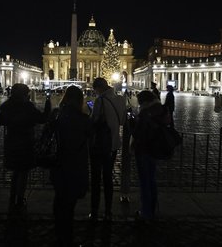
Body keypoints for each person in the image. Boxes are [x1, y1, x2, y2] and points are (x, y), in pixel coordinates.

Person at [0, 83, 51, 212]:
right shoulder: (28, 107)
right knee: (23, 172)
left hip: (11, 141)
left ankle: (12, 197)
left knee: (16, 171)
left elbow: (0, 121)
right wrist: (48, 104)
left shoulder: (7, 106)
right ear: (24, 94)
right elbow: (42, 119)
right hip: (26, 141)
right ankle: (20, 199)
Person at [50, 86, 92, 246]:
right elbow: (91, 135)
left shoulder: (57, 115)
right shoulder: (83, 119)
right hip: (75, 165)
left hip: (58, 163)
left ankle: (59, 234)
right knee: (69, 204)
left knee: (59, 199)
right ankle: (67, 237)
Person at [88, 77, 126, 221]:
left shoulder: (100, 101)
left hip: (99, 144)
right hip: (113, 144)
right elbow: (122, 121)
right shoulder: (121, 99)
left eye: (95, 90)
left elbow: (94, 121)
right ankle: (108, 211)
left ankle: (94, 210)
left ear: (98, 88)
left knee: (96, 178)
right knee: (108, 178)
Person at [131, 90, 166, 220]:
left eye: (140, 103)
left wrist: (134, 121)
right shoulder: (161, 109)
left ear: (145, 102)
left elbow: (138, 133)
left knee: (144, 181)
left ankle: (145, 212)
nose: (139, 105)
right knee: (151, 180)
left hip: (144, 149)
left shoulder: (145, 112)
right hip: (155, 149)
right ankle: (152, 208)